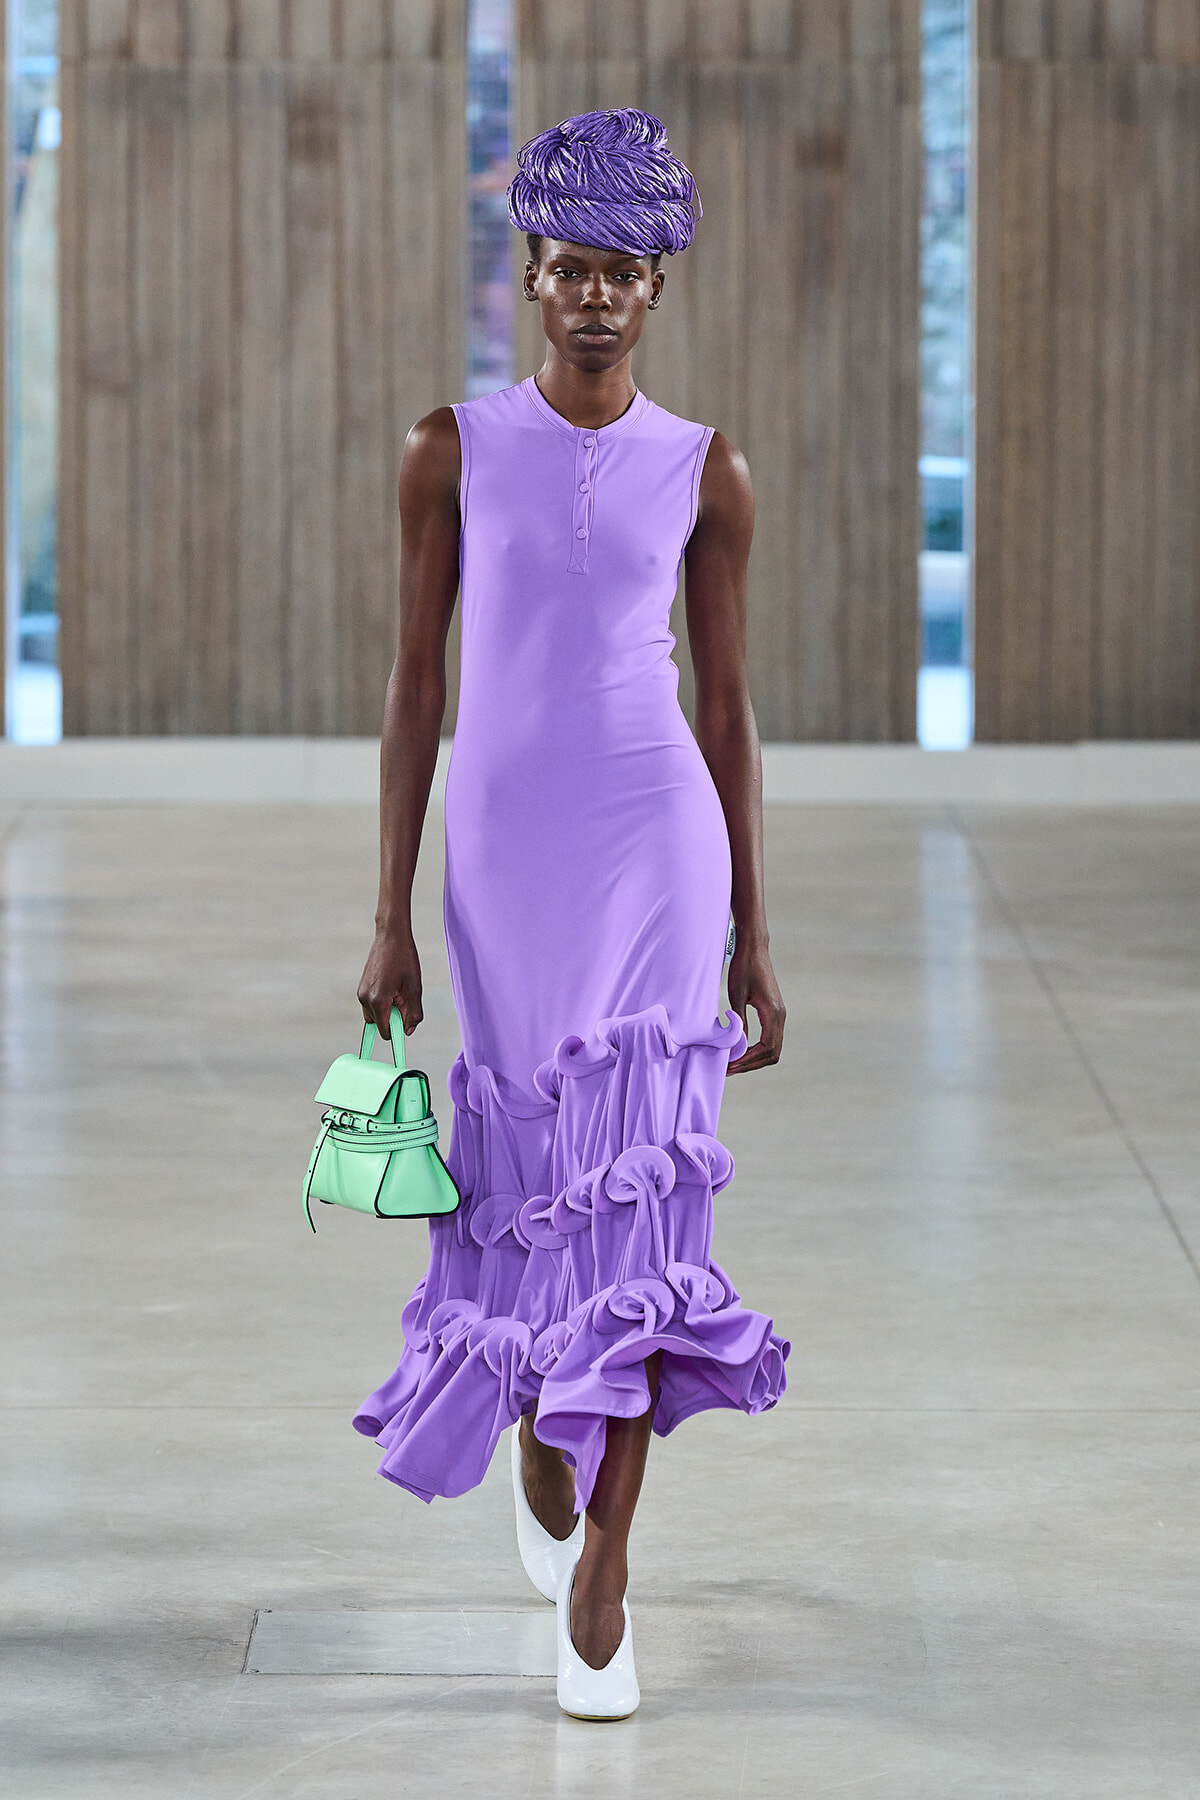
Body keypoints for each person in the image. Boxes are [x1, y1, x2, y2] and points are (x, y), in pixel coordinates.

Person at [355, 106, 789, 1721]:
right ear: (529, 281)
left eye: (624, 272)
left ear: (657, 289)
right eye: (569, 271)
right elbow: (415, 685)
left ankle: (608, 1565)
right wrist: (388, 910)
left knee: (643, 1191)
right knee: (538, 1175)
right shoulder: (448, 450)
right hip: (504, 856)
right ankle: (546, 1431)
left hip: (658, 844)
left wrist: (754, 927)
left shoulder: (706, 467)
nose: (596, 296)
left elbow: (729, 709)